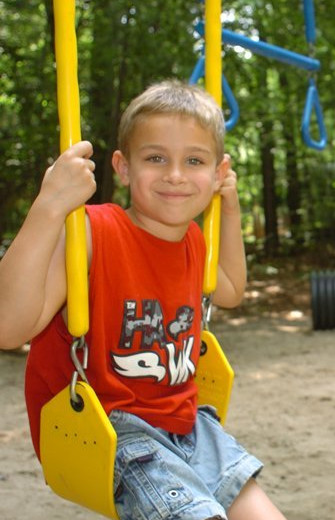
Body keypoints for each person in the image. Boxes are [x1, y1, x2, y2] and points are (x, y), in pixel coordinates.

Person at [0, 80, 287, 520]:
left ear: (217, 172)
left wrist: (228, 208)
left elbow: (229, 290)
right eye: (156, 158)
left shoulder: (194, 239)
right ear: (123, 166)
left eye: (194, 160)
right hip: (110, 431)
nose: (174, 174)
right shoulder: (93, 234)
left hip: (190, 426)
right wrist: (49, 208)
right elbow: (8, 326)